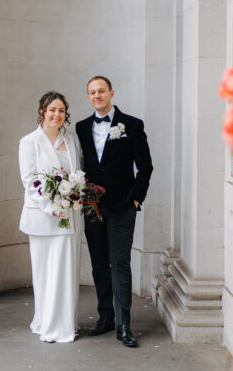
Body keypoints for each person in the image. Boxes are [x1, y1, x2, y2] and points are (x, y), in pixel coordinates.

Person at [75, 75, 153, 348]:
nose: (97, 96)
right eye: (92, 92)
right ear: (88, 97)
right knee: (99, 265)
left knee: (120, 264)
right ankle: (105, 316)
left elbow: (145, 166)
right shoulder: (81, 127)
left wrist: (135, 200)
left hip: (123, 207)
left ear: (111, 93)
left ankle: (124, 324)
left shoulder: (131, 125)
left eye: (101, 91)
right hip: (92, 208)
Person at [19, 91, 82, 343]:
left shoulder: (72, 139)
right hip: (43, 216)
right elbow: (30, 179)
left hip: (70, 216)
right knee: (45, 272)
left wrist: (72, 198)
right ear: (42, 112)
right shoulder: (29, 142)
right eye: (52, 110)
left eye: (61, 111)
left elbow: (77, 173)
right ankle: (46, 323)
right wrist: (52, 205)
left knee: (66, 270)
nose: (57, 115)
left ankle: (65, 323)